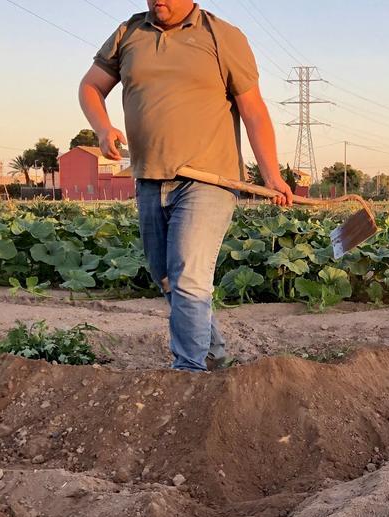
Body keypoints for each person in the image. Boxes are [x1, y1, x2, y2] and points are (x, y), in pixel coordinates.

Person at [78, 0, 293, 372]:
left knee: (189, 277)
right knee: (166, 278)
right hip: (148, 179)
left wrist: (271, 175)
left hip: (208, 180)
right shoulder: (129, 33)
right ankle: (213, 353)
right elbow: (90, 87)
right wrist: (102, 128)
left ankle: (189, 372)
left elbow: (254, 110)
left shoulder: (221, 35)